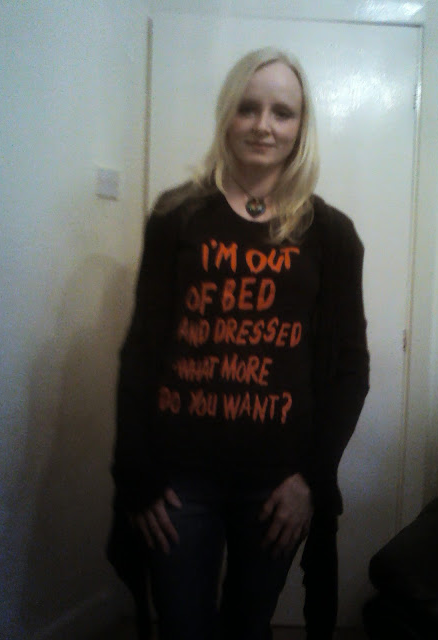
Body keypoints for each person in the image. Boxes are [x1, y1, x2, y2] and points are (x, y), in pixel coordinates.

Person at [107, 47, 369, 640]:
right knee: (183, 627)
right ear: (227, 114)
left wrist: (311, 480)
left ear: (301, 126)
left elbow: (350, 370)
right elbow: (142, 350)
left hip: (279, 483)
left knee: (248, 627)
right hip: (178, 478)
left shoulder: (330, 234)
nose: (263, 125)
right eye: (248, 108)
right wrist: (136, 472)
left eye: (282, 112)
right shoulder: (177, 215)